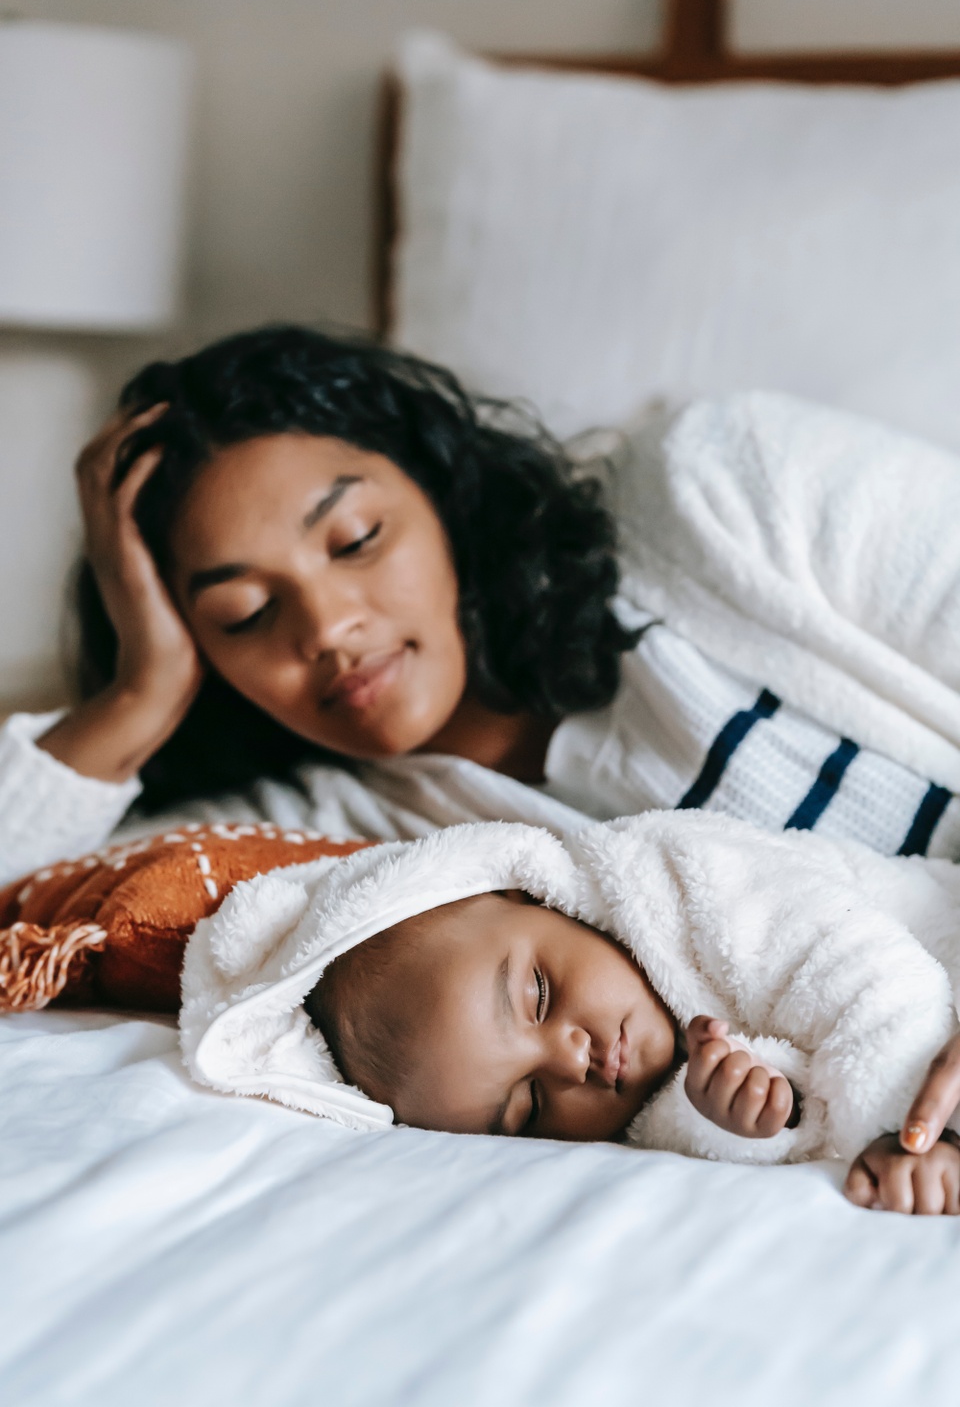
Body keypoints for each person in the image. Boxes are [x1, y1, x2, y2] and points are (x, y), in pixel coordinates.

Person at [3, 324, 960, 1169]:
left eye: (357, 539)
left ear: (437, 482)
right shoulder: (353, 857)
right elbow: (23, 887)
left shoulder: (717, 486)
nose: (329, 627)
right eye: (245, 613)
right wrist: (139, 694)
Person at [180, 814, 960, 1215]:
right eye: (527, 1107)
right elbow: (777, 1118)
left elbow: (868, 975)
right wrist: (747, 1119)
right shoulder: (639, 1112)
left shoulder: (682, 876)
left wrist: (902, 1138)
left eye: (540, 996)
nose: (572, 1062)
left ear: (535, 895)